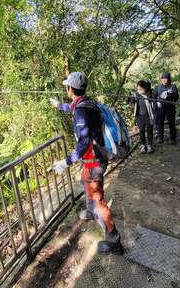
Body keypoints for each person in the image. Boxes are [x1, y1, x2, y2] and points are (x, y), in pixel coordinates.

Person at [50, 72, 123, 254]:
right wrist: (59, 106)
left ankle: (114, 241)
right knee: (87, 184)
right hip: (93, 159)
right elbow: (73, 108)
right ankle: (91, 210)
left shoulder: (82, 110)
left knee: (98, 201)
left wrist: (65, 162)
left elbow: (83, 142)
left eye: (67, 86)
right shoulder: (85, 103)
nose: (66, 88)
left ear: (70, 89)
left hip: (94, 160)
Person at [127, 80, 156, 154]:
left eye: (140, 89)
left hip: (149, 116)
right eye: (138, 89)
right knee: (141, 131)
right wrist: (130, 99)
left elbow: (155, 100)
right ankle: (143, 145)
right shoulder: (136, 95)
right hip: (139, 117)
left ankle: (150, 145)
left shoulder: (150, 95)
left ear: (145, 88)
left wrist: (151, 98)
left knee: (149, 130)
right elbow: (130, 101)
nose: (139, 91)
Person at [154, 72, 179, 144]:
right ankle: (160, 138)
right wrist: (157, 102)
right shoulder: (158, 87)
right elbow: (153, 97)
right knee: (160, 123)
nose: (164, 80)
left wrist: (169, 94)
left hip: (170, 108)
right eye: (163, 79)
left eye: (166, 78)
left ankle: (172, 138)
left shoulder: (173, 86)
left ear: (169, 79)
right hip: (160, 107)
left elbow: (176, 98)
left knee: (171, 123)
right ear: (161, 80)